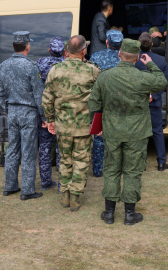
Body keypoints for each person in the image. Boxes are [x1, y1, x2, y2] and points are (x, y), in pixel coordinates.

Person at [88, 39, 168, 225]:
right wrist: (150, 63)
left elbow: (94, 104)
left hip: (112, 132)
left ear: (119, 54)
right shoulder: (142, 77)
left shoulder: (105, 76)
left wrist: (98, 127)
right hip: (136, 133)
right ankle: (129, 215)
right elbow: (162, 81)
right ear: (138, 57)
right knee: (132, 172)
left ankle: (109, 213)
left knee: (112, 170)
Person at [42, 35, 101, 211]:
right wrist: (99, 123)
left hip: (63, 126)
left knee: (65, 160)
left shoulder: (55, 70)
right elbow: (100, 100)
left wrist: (50, 120)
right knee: (81, 161)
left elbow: (46, 99)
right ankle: (75, 197)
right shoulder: (92, 71)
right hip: (84, 126)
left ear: (67, 51)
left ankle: (66, 195)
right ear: (84, 51)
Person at [0, 31, 47, 201]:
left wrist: (7, 109)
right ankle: (27, 189)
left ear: (13, 46)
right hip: (28, 113)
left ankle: (10, 186)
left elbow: (1, 93)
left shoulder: (3, 65)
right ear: (28, 46)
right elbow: (38, 95)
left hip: (12, 111)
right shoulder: (31, 66)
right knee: (29, 151)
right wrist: (44, 117)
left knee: (12, 149)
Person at [89, 29, 123, 177]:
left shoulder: (96, 57)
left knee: (98, 136)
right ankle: (117, 168)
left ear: (107, 42)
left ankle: (97, 169)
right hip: (121, 103)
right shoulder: (126, 59)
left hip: (101, 103)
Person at [135, 32, 168, 171]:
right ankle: (161, 163)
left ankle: (140, 164)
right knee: (157, 132)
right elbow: (166, 81)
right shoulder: (161, 60)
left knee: (138, 133)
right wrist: (154, 95)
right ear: (151, 45)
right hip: (153, 103)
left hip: (137, 102)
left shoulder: (134, 60)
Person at [36, 37, 65, 191]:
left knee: (45, 148)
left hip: (45, 113)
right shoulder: (67, 65)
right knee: (62, 150)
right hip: (62, 113)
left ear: (49, 50)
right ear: (64, 51)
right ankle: (62, 184)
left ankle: (45, 181)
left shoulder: (40, 63)